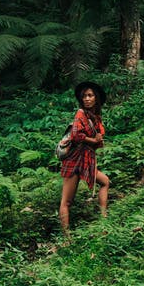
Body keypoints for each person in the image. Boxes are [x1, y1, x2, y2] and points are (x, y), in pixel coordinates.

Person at [59, 81, 110, 236]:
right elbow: (76, 135)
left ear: (96, 98)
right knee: (67, 201)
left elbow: (99, 136)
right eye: (85, 96)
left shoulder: (96, 117)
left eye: (90, 95)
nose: (87, 99)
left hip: (87, 160)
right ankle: (66, 237)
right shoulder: (80, 114)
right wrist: (93, 140)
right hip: (74, 160)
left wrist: (98, 140)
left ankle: (104, 219)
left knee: (105, 182)